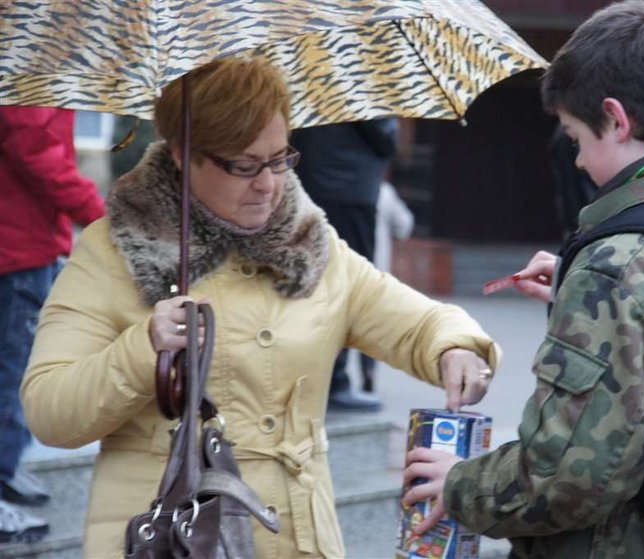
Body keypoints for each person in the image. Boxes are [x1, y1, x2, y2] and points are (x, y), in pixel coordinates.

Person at [19, 56, 499, 558]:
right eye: (244, 166)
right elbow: (51, 411)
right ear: (185, 155)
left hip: (299, 540)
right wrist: (143, 351)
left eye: (280, 159)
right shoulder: (115, 250)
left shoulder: (312, 244)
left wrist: (454, 347)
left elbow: (416, 322)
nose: (268, 184)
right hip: (175, 538)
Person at [403, 1, 644, 557]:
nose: (577, 163)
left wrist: (460, 484)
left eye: (575, 138)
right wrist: (577, 288)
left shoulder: (616, 272)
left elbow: (570, 478)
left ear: (617, 119)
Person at [0, 106, 105, 544]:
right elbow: (37, 150)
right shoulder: (23, 61)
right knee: (11, 370)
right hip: (18, 243)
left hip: (22, 236)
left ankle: (7, 469)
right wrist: (100, 216)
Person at [292, 118, 399, 411]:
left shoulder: (316, 79)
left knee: (314, 281)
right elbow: (384, 136)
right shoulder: (363, 79)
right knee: (344, 284)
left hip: (312, 183)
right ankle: (334, 381)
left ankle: (319, 378)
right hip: (349, 187)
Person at [358, 180, 416, 392]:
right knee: (370, 328)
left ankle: (337, 378)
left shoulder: (333, 186)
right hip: (376, 274)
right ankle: (369, 371)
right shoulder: (383, 191)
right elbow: (404, 225)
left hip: (343, 274)